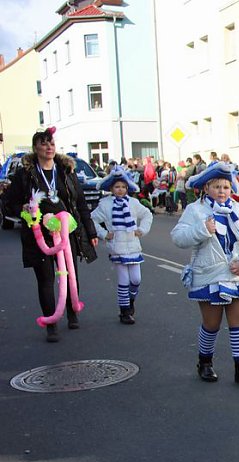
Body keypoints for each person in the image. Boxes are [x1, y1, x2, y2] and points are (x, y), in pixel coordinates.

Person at [171, 162, 239, 388]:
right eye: (216, 187)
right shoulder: (196, 210)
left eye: (226, 187)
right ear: (206, 188)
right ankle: (205, 362)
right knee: (211, 324)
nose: (222, 191)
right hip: (208, 275)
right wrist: (202, 229)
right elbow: (178, 237)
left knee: (238, 324)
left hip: (236, 274)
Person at [4, 127, 98, 342]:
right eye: (44, 143)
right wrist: (24, 210)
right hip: (40, 235)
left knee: (70, 274)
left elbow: (80, 203)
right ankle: (51, 323)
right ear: (35, 148)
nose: (49, 147)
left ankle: (72, 312)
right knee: (46, 279)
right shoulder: (25, 175)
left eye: (52, 143)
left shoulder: (65, 171)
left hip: (66, 232)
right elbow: (9, 202)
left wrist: (90, 230)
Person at [90, 167, 153, 325]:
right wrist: (104, 234)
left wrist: (142, 230)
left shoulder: (133, 203)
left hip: (134, 246)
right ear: (111, 188)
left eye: (123, 187)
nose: (120, 190)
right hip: (117, 248)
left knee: (136, 279)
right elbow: (92, 219)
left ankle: (130, 301)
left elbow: (147, 214)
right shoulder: (105, 204)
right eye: (117, 187)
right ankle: (124, 311)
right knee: (124, 280)